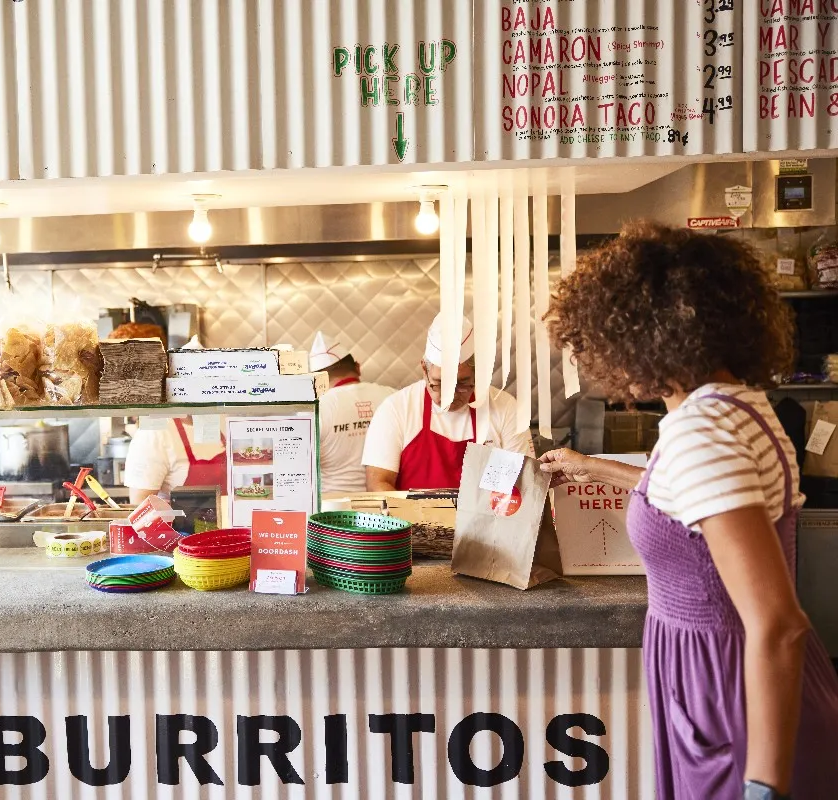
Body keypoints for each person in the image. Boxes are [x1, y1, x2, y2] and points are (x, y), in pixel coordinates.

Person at [538, 222, 838, 800]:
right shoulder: (730, 406)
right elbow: (690, 502)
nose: (602, 363)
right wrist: (594, 467)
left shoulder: (702, 429)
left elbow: (778, 625)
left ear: (643, 336)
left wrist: (761, 788)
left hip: (736, 701)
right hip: (722, 692)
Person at [363, 313, 533, 491]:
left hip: (486, 519)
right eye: (439, 384)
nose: (449, 396)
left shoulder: (505, 408)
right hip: (411, 519)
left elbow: (519, 483)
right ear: (424, 369)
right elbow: (379, 483)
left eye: (462, 384)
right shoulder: (396, 409)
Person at [310, 332, 394, 493]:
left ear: (316, 380)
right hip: (384, 504)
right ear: (357, 367)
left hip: (334, 509)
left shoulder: (317, 408)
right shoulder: (392, 396)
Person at [124, 418, 225, 504]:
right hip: (182, 526)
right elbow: (140, 508)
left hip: (230, 525)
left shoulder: (222, 418)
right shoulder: (153, 430)